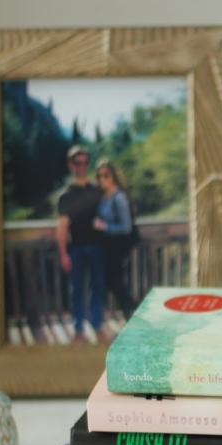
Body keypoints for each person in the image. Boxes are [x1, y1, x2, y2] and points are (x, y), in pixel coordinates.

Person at [56, 145, 107, 344]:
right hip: (75, 248)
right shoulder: (65, 195)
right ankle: (78, 328)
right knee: (77, 290)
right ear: (71, 165)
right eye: (78, 162)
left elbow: (108, 216)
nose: (82, 166)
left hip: (97, 247)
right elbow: (61, 227)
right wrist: (63, 254)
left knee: (97, 287)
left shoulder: (96, 191)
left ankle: (97, 325)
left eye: (85, 162)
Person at [93, 159, 139, 322]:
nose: (102, 179)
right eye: (99, 176)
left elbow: (126, 227)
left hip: (117, 248)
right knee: (113, 283)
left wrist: (105, 226)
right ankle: (132, 315)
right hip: (108, 248)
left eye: (106, 175)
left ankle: (134, 315)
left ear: (113, 176)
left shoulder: (119, 197)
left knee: (116, 283)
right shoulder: (104, 196)